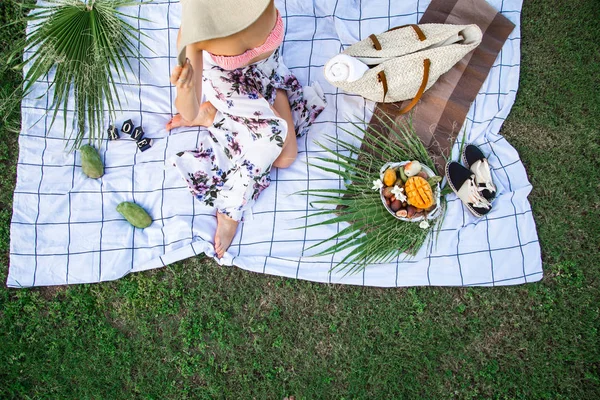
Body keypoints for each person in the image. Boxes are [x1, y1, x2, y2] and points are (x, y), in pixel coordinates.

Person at [168, 0, 325, 258]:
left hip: (268, 70)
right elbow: (188, 109)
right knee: (280, 144)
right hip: (227, 82)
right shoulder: (196, 30)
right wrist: (185, 90)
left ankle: (222, 115)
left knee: (284, 158)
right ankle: (230, 209)